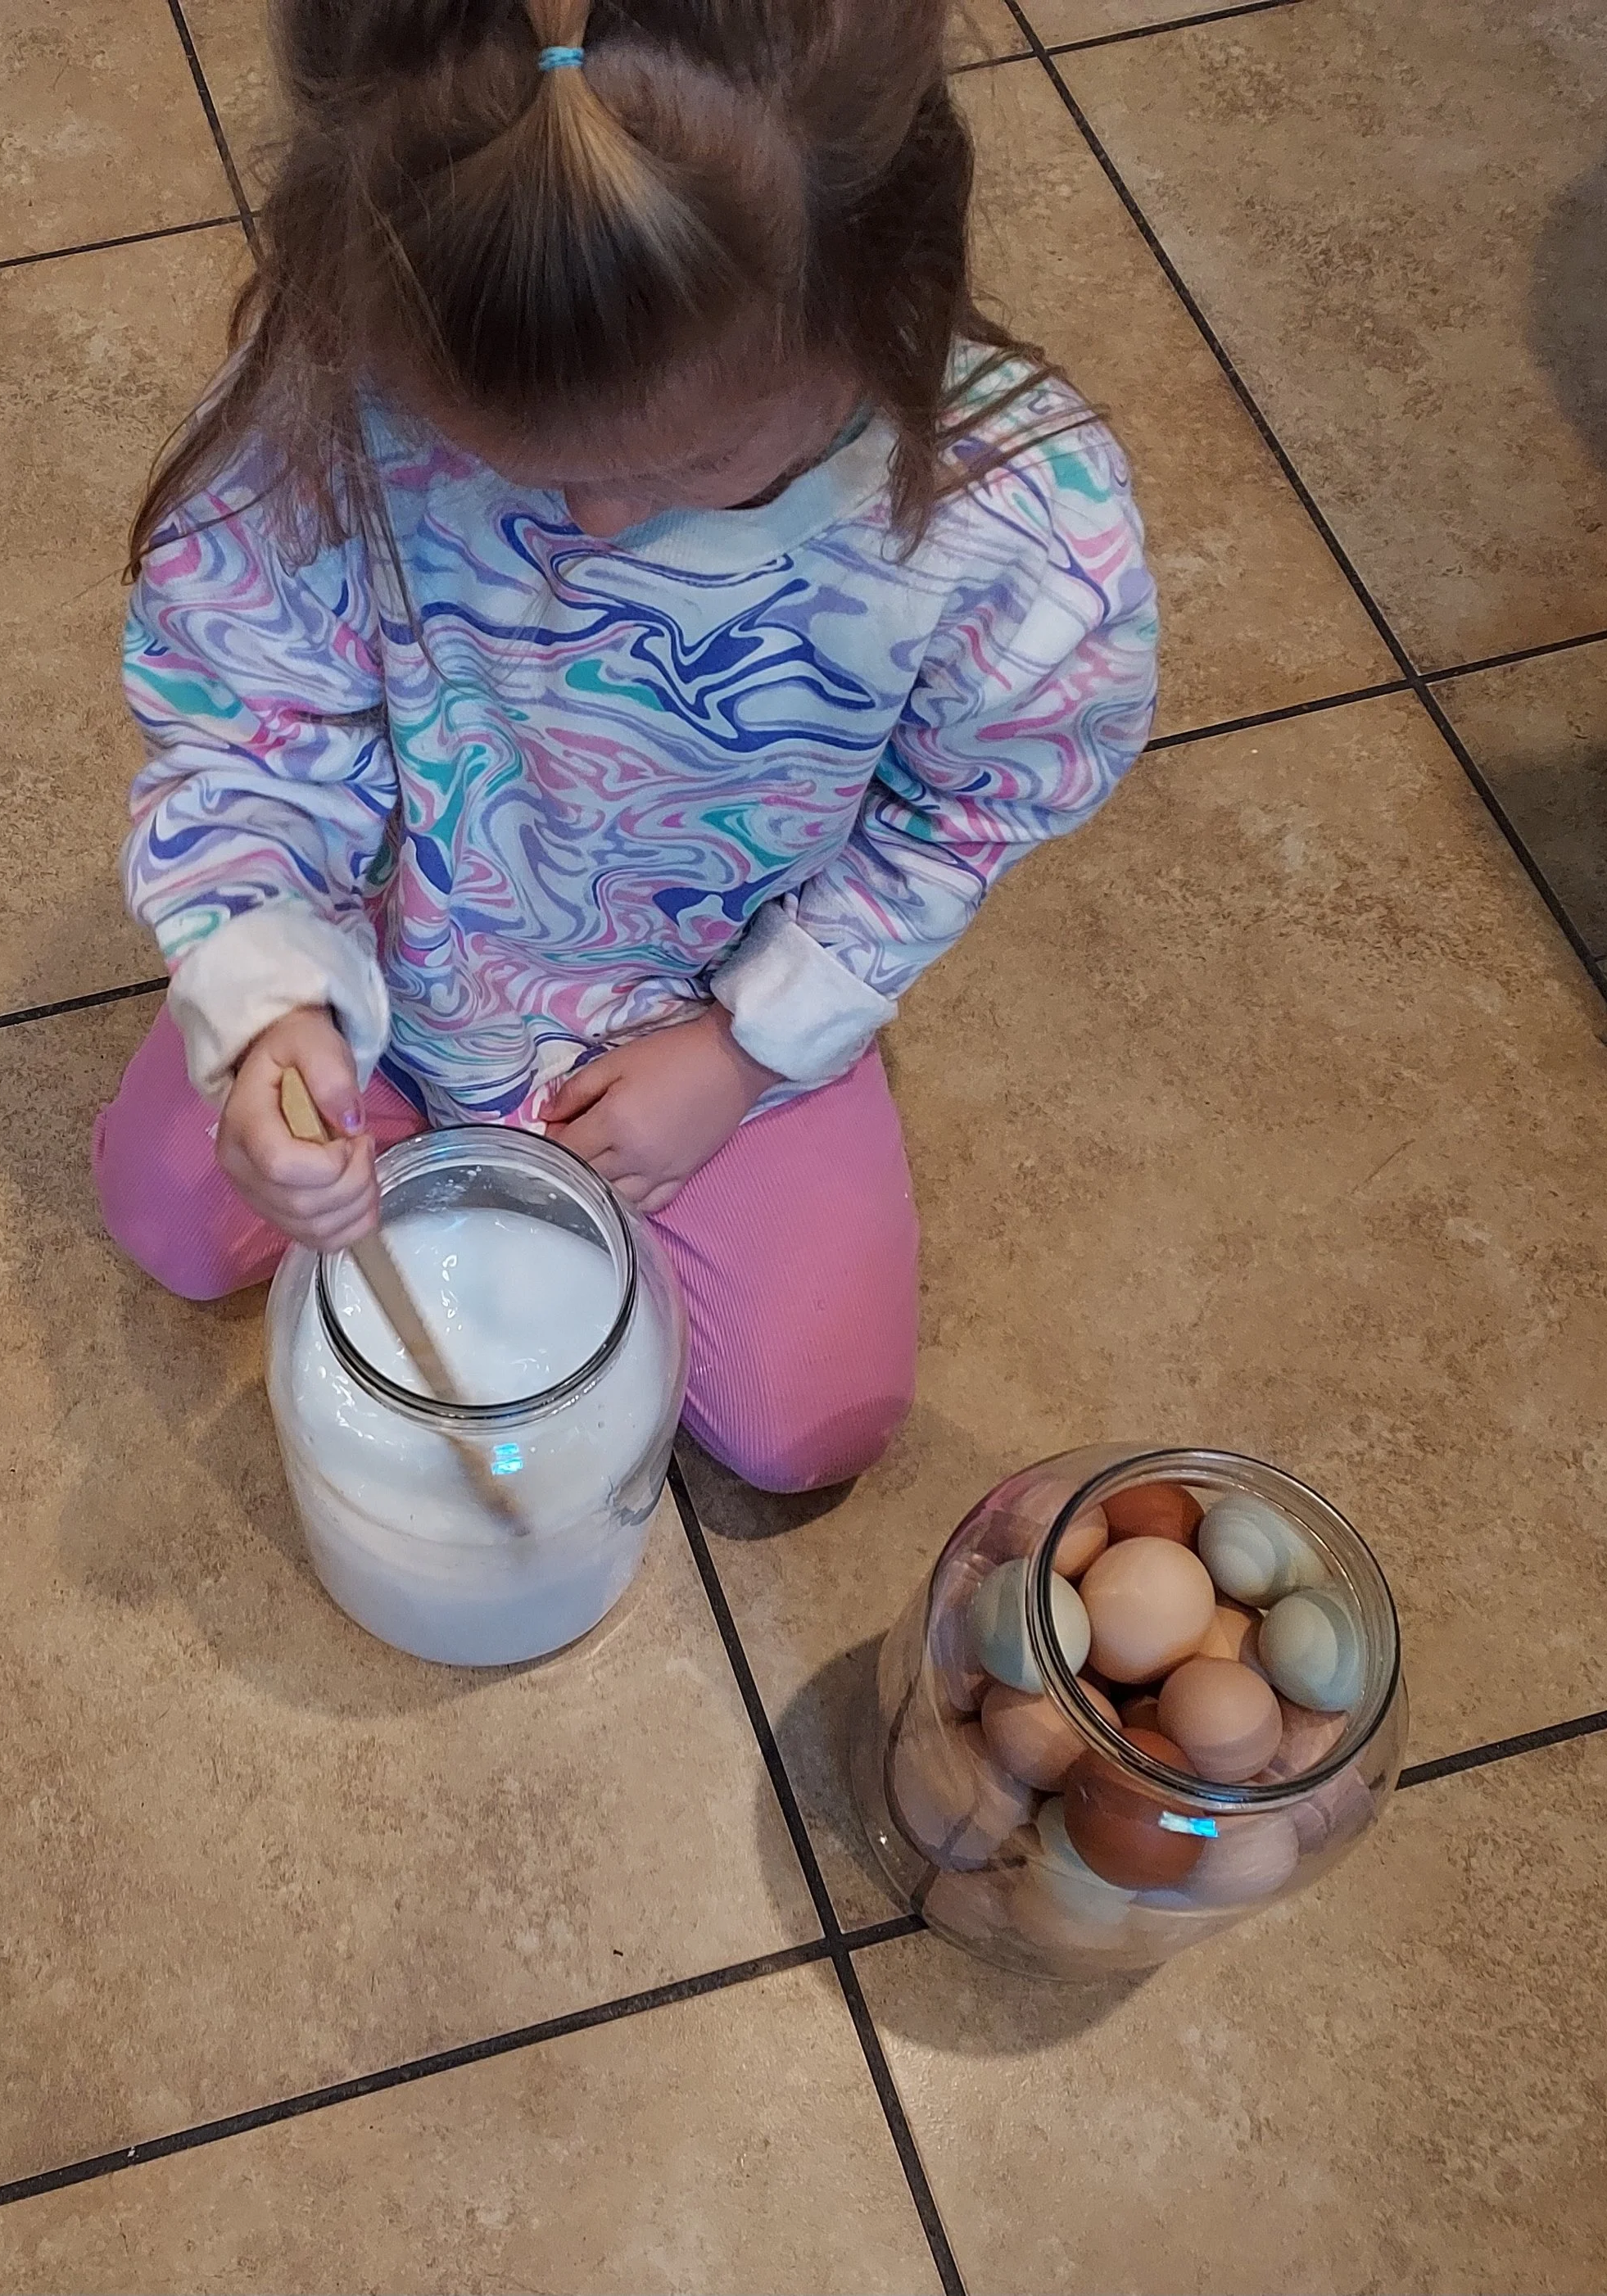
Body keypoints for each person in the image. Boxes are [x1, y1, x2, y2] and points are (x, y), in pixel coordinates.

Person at [93, 0, 1158, 1493]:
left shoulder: (1007, 526)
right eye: (518, 466)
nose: (592, 526)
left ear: (882, 296)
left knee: (810, 1428)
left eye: (682, 468)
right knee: (164, 1213)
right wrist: (277, 1009)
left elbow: (955, 821)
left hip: (703, 1004)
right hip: (399, 974)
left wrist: (746, 1046)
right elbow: (251, 729)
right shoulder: (332, 401)